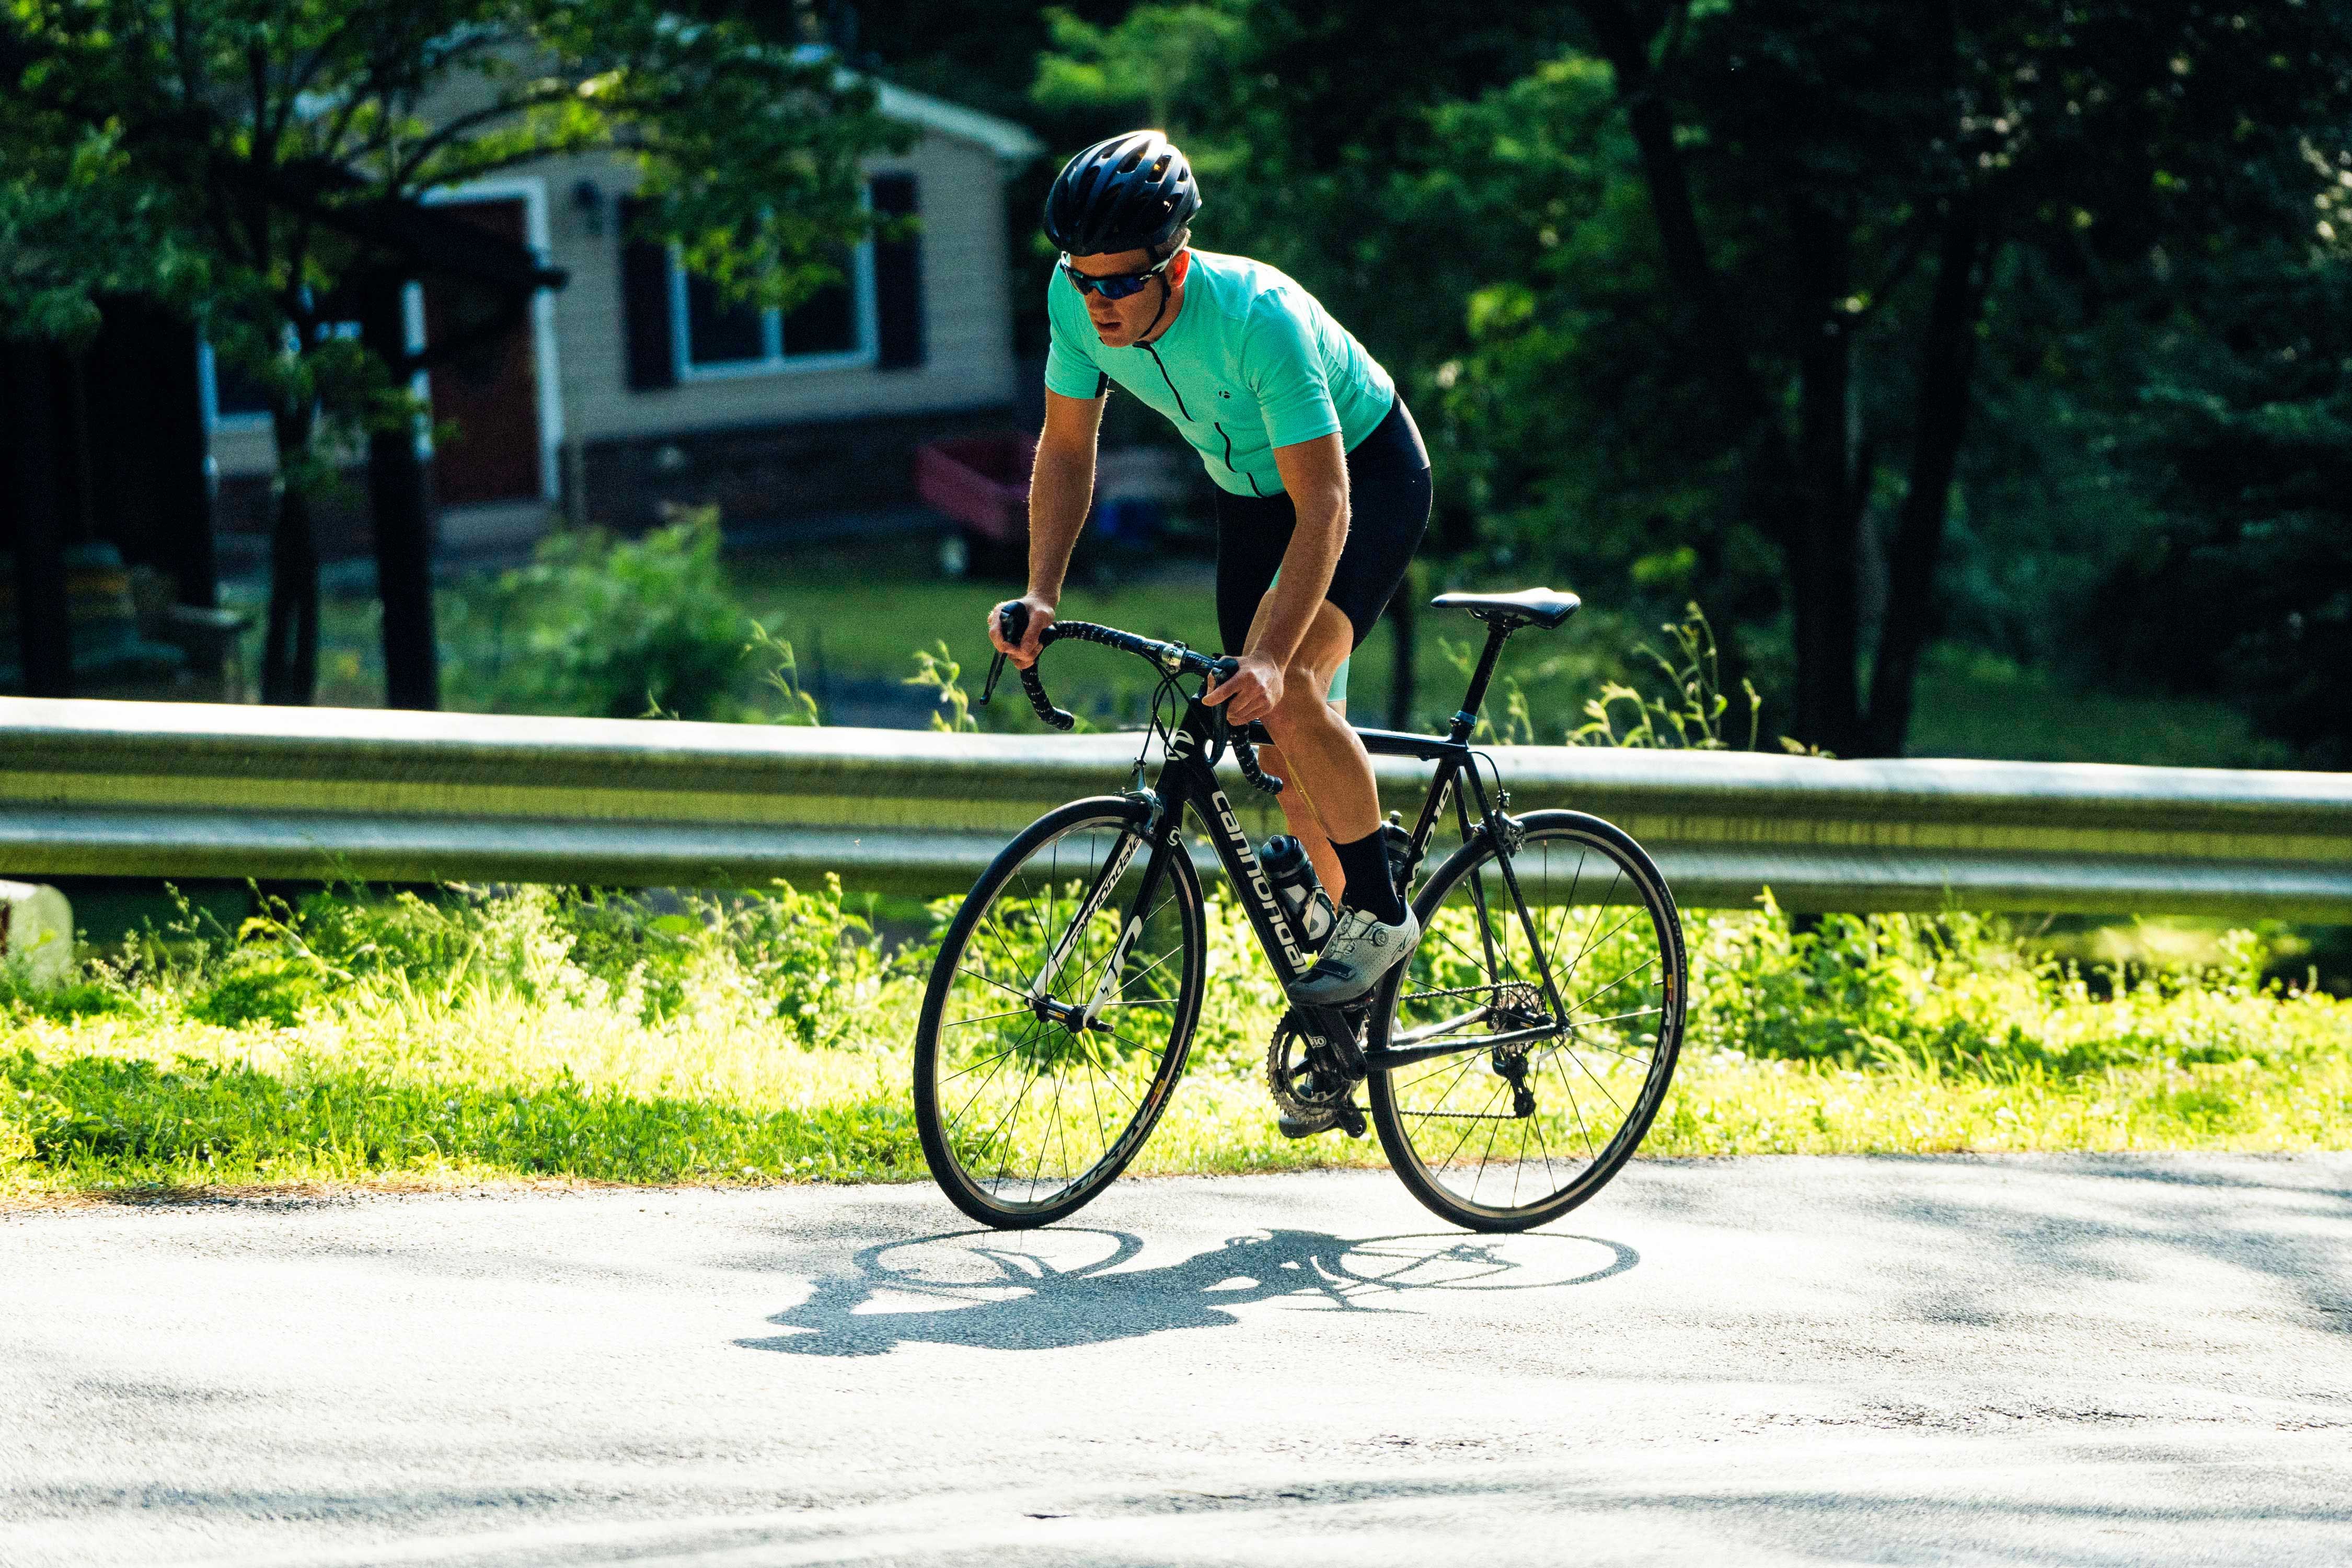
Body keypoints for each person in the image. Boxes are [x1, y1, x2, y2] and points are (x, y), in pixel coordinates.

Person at [986, 129, 1432, 1024]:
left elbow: (1328, 508)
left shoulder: (1257, 318)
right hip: (1252, 497)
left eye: (1119, 282)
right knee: (1276, 751)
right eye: (1083, 276)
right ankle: (1360, 1018)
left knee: (1291, 687)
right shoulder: (1073, 301)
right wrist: (1042, 590)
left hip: (1362, 481)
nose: (1098, 302)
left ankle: (1383, 913)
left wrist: (1271, 655)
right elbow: (1068, 449)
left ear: (1175, 268)